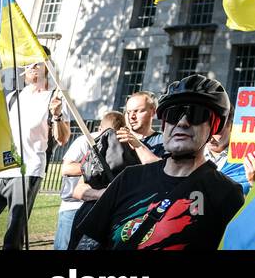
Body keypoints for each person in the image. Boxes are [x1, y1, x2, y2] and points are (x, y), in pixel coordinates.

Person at [73, 75, 244, 250]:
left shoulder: (226, 192)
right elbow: (90, 240)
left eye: (196, 114)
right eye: (173, 114)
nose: (182, 122)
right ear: (164, 125)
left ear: (214, 126)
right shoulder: (129, 178)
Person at [0, 59, 71, 249]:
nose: (30, 67)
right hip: (3, 168)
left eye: (36, 63)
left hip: (27, 171)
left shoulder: (55, 99)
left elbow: (63, 139)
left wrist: (56, 115)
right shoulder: (13, 97)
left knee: (13, 236)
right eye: (28, 64)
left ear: (48, 68)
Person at [55, 110, 124, 250]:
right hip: (73, 206)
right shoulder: (85, 141)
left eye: (114, 134)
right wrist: (92, 167)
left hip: (100, 208)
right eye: (107, 133)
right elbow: (66, 168)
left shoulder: (122, 144)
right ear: (100, 129)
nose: (110, 138)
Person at [118, 91, 165, 164]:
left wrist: (138, 145)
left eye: (136, 111)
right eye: (128, 112)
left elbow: (162, 170)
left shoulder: (164, 141)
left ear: (153, 112)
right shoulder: (117, 140)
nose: (131, 117)